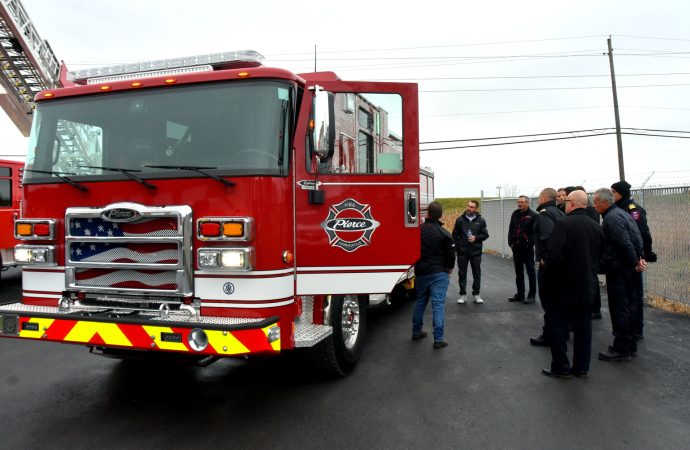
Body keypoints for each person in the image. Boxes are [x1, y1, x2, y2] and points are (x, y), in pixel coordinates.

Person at [541, 190, 604, 378]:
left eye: (566, 200)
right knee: (584, 329)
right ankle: (581, 367)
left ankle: (560, 367)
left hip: (562, 287)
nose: (564, 203)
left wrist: (546, 267)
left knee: (558, 327)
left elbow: (554, 256)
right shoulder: (596, 226)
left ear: (573, 203)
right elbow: (600, 257)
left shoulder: (563, 224)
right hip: (587, 287)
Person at [593, 188, 647, 361]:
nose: (594, 206)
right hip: (626, 268)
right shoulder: (621, 214)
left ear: (604, 202)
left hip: (619, 270)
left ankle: (621, 347)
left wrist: (635, 261)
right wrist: (638, 259)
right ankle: (629, 344)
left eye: (595, 202)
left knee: (619, 307)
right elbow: (637, 238)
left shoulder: (612, 218)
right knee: (628, 305)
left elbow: (624, 242)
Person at [611, 180, 657, 341]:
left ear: (621, 193)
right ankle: (629, 328)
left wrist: (645, 254)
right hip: (624, 258)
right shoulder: (618, 209)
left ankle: (636, 330)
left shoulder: (633, 210)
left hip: (634, 258)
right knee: (627, 296)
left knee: (634, 296)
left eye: (613, 193)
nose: (611, 196)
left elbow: (643, 233)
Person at [412, 201, 455, 349]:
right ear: (441, 215)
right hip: (439, 273)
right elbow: (451, 254)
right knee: (438, 305)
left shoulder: (417, 231)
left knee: (420, 302)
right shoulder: (445, 234)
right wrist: (449, 268)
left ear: (428, 213)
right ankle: (438, 339)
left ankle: (416, 332)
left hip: (421, 272)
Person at [529, 188, 564, 347]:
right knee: (557, 301)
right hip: (558, 265)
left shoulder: (544, 214)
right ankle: (559, 332)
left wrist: (545, 260)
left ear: (544, 197)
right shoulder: (559, 212)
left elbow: (548, 238)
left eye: (539, 196)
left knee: (549, 302)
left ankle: (550, 335)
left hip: (549, 266)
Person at [451, 200, 489, 304]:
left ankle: (476, 294)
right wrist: (458, 247)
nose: (469, 208)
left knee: (477, 274)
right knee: (462, 274)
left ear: (476, 209)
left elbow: (485, 235)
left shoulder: (481, 220)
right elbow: (454, 235)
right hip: (462, 252)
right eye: (468, 206)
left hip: (476, 252)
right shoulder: (460, 220)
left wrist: (476, 238)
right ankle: (462, 295)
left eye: (472, 207)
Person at [574, 186, 603, 320]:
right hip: (588, 249)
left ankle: (595, 309)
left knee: (592, 280)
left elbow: (592, 226)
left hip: (588, 249)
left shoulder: (590, 210)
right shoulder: (590, 209)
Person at [507, 196, 537, 303]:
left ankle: (532, 296)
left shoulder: (533, 215)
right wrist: (510, 242)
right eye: (518, 202)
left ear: (527, 203)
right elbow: (511, 229)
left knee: (530, 272)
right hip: (516, 248)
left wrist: (530, 243)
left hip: (527, 248)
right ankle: (520, 294)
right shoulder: (515, 214)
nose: (519, 204)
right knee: (518, 272)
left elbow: (535, 232)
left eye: (522, 202)